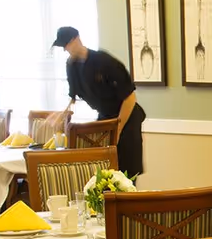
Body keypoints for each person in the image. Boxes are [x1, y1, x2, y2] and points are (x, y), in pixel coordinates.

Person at [50, 26, 146, 178]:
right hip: (105, 118)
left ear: (76, 39)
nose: (66, 49)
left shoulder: (104, 61)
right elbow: (73, 96)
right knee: (104, 170)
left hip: (127, 117)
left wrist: (118, 128)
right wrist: (62, 114)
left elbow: (130, 97)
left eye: (67, 44)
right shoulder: (71, 66)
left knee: (126, 172)